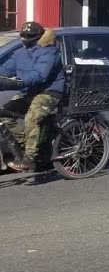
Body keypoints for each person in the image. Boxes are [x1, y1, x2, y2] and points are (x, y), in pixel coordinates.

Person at [0, 22, 63, 171]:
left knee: (32, 117)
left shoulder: (49, 52)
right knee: (5, 114)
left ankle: (30, 158)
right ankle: (29, 143)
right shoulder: (20, 53)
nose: (24, 39)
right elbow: (7, 68)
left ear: (38, 37)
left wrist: (19, 82)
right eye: (23, 36)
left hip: (49, 92)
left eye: (28, 36)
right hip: (30, 91)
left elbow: (40, 75)